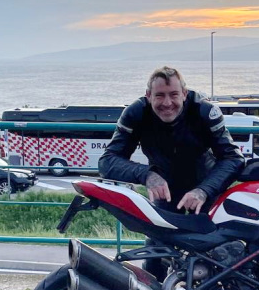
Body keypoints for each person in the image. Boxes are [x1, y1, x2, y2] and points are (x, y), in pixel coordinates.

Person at [99, 65, 244, 217]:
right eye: (159, 95)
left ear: (184, 94)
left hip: (206, 186)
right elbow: (107, 161)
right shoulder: (136, 113)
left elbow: (233, 158)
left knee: (211, 231)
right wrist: (147, 174)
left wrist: (204, 190)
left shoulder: (204, 111)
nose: (167, 103)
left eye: (174, 95)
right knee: (159, 232)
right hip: (164, 190)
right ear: (148, 95)